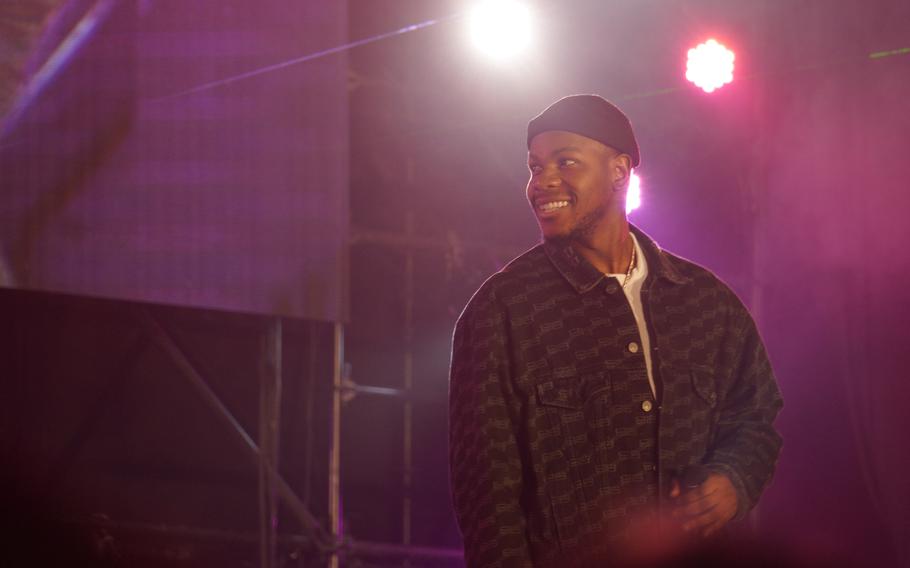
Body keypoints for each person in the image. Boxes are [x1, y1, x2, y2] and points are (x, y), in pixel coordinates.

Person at [448, 94, 783, 567]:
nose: (542, 182)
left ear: (619, 171)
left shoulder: (707, 304)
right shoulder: (501, 313)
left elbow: (756, 418)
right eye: (534, 166)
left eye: (565, 162)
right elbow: (488, 498)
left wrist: (734, 480)